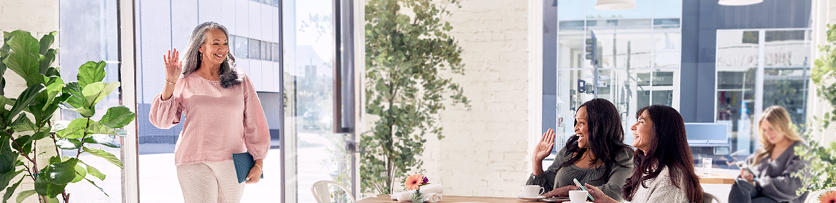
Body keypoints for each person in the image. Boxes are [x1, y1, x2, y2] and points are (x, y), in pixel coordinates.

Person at [149, 22, 270, 203]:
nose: (222, 48)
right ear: (201, 47)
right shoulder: (184, 81)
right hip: (194, 160)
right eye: (216, 43)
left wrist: (259, 162)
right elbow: (162, 122)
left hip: (233, 160)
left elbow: (255, 122)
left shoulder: (240, 81)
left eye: (225, 43)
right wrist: (170, 81)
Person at [585, 105, 704, 203]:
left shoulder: (671, 178)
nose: (632, 127)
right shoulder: (650, 170)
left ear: (660, 130)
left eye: (641, 122)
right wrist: (605, 200)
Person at [527, 98, 634, 202]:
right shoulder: (568, 151)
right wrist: (536, 160)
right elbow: (543, 193)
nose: (575, 128)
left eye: (581, 123)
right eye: (576, 122)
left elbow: (614, 194)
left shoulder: (624, 156)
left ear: (600, 126)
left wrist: (570, 190)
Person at [727, 106, 808, 203]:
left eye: (771, 128)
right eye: (765, 130)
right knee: (739, 184)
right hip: (760, 193)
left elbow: (791, 186)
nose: (768, 134)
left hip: (785, 200)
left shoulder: (802, 151)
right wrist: (747, 175)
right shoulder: (766, 149)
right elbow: (749, 164)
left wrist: (756, 182)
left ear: (784, 125)